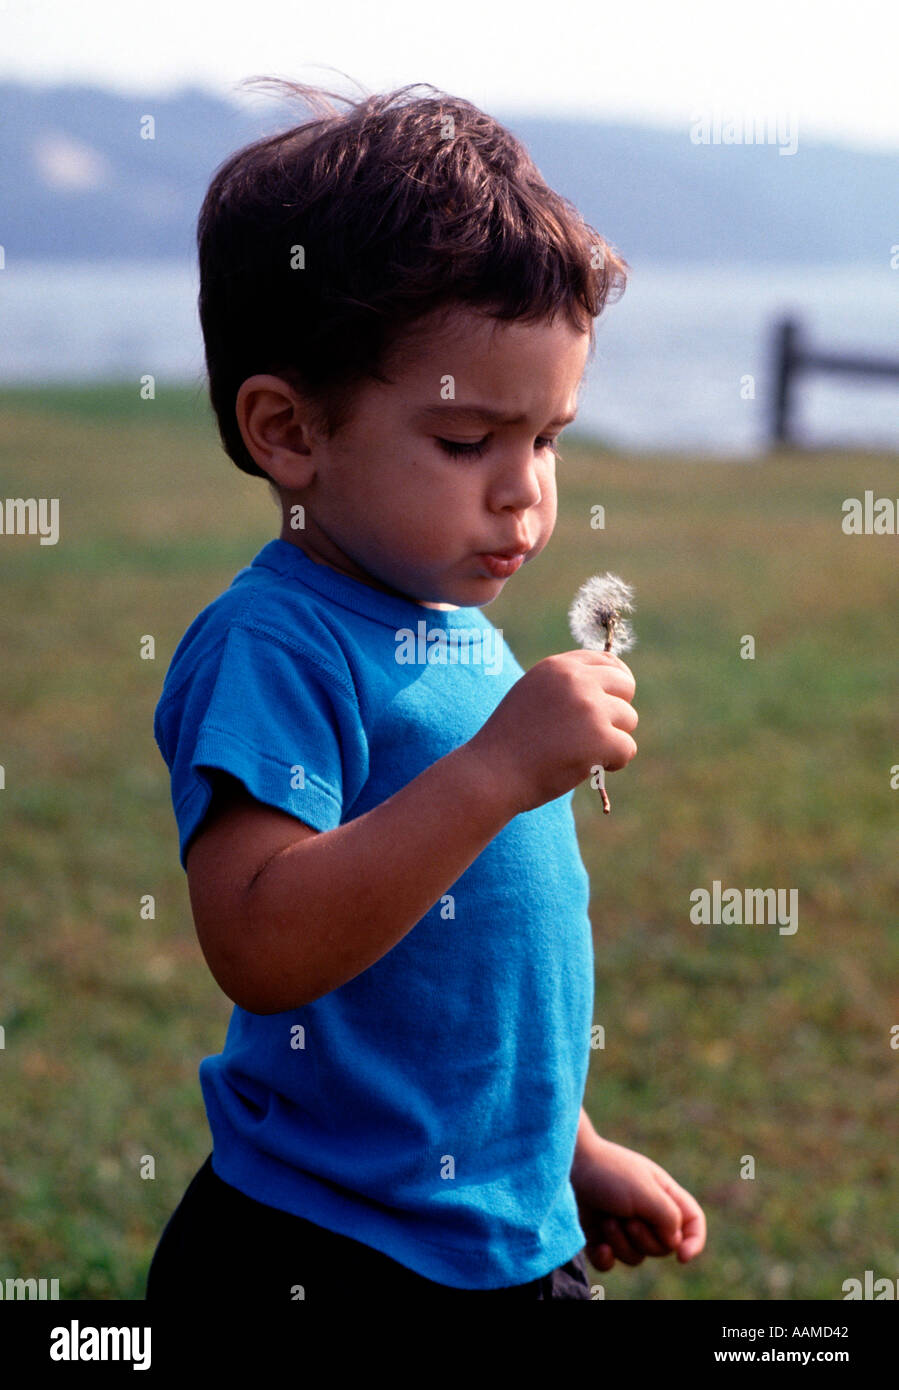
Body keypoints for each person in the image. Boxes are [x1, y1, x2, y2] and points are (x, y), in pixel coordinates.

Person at [146, 77, 706, 1302]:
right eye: (467, 444)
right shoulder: (275, 643)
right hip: (331, 1244)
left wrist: (570, 1151)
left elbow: (472, 978)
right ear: (290, 431)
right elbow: (258, 938)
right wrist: (495, 770)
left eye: (547, 438)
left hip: (499, 1225)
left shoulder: (454, 627)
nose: (522, 493)